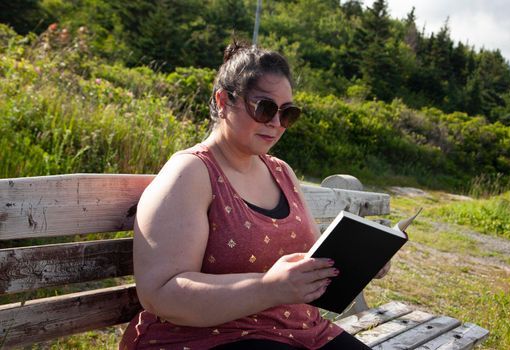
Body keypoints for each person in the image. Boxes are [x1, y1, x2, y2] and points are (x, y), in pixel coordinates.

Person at [120, 41, 377, 349]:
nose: (276, 123)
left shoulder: (281, 172)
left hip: (300, 332)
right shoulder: (190, 173)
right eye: (265, 108)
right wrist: (269, 288)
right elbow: (159, 293)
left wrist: (358, 262)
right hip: (205, 339)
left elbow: (311, 258)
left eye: (288, 113)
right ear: (223, 100)